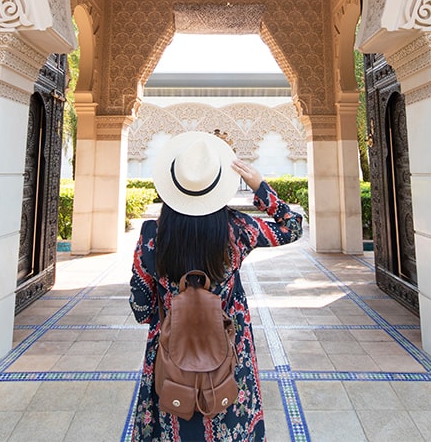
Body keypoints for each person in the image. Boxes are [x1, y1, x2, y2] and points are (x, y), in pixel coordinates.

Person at [129, 130, 303, 441]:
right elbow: (292, 227)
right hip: (228, 350)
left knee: (172, 419)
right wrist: (260, 187)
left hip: (171, 353)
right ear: (218, 185)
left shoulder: (152, 235)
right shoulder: (238, 229)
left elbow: (141, 309)